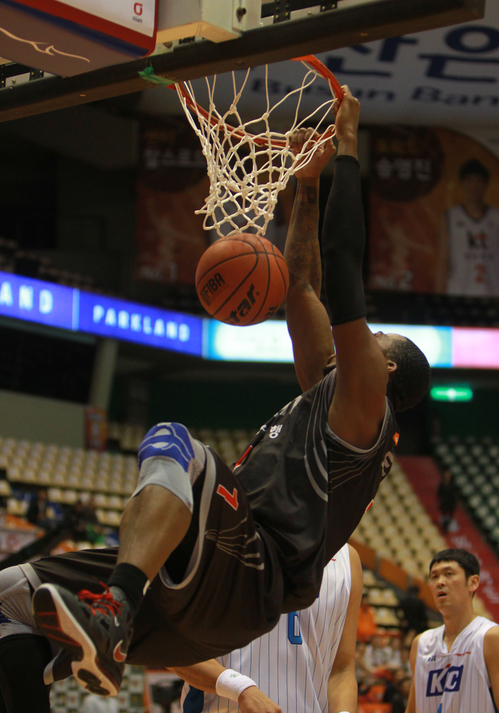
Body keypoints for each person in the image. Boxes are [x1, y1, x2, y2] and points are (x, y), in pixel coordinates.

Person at [0, 87, 430, 708]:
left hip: (253, 571)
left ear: (385, 365)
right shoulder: (331, 403)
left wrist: (349, 151)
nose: (365, 334)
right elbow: (303, 282)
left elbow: (339, 267)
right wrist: (304, 187)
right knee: (11, 597)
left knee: (177, 444)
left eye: (376, 336)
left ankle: (115, 607)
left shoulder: (368, 405)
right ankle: (108, 623)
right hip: (207, 587)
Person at [174, 543, 361, 713]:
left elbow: (342, 670)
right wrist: (240, 688)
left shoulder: (348, 559)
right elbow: (172, 646)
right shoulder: (217, 536)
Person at [406, 548, 499, 712]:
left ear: (473, 583)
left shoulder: (491, 637)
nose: (440, 582)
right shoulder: (420, 644)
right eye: (434, 577)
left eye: (449, 574)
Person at [435, 158, 499, 296]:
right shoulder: (449, 217)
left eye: (479, 180)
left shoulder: (496, 217)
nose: (474, 186)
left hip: (493, 296)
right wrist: (438, 301)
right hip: (460, 296)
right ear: (462, 183)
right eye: (469, 180)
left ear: (486, 183)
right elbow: (442, 262)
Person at [437, 469, 458, 534]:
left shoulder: (452, 485)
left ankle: (449, 525)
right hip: (444, 502)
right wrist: (439, 501)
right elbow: (439, 494)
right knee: (444, 514)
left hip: (451, 502)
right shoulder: (442, 484)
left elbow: (454, 494)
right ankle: (444, 526)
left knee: (450, 514)